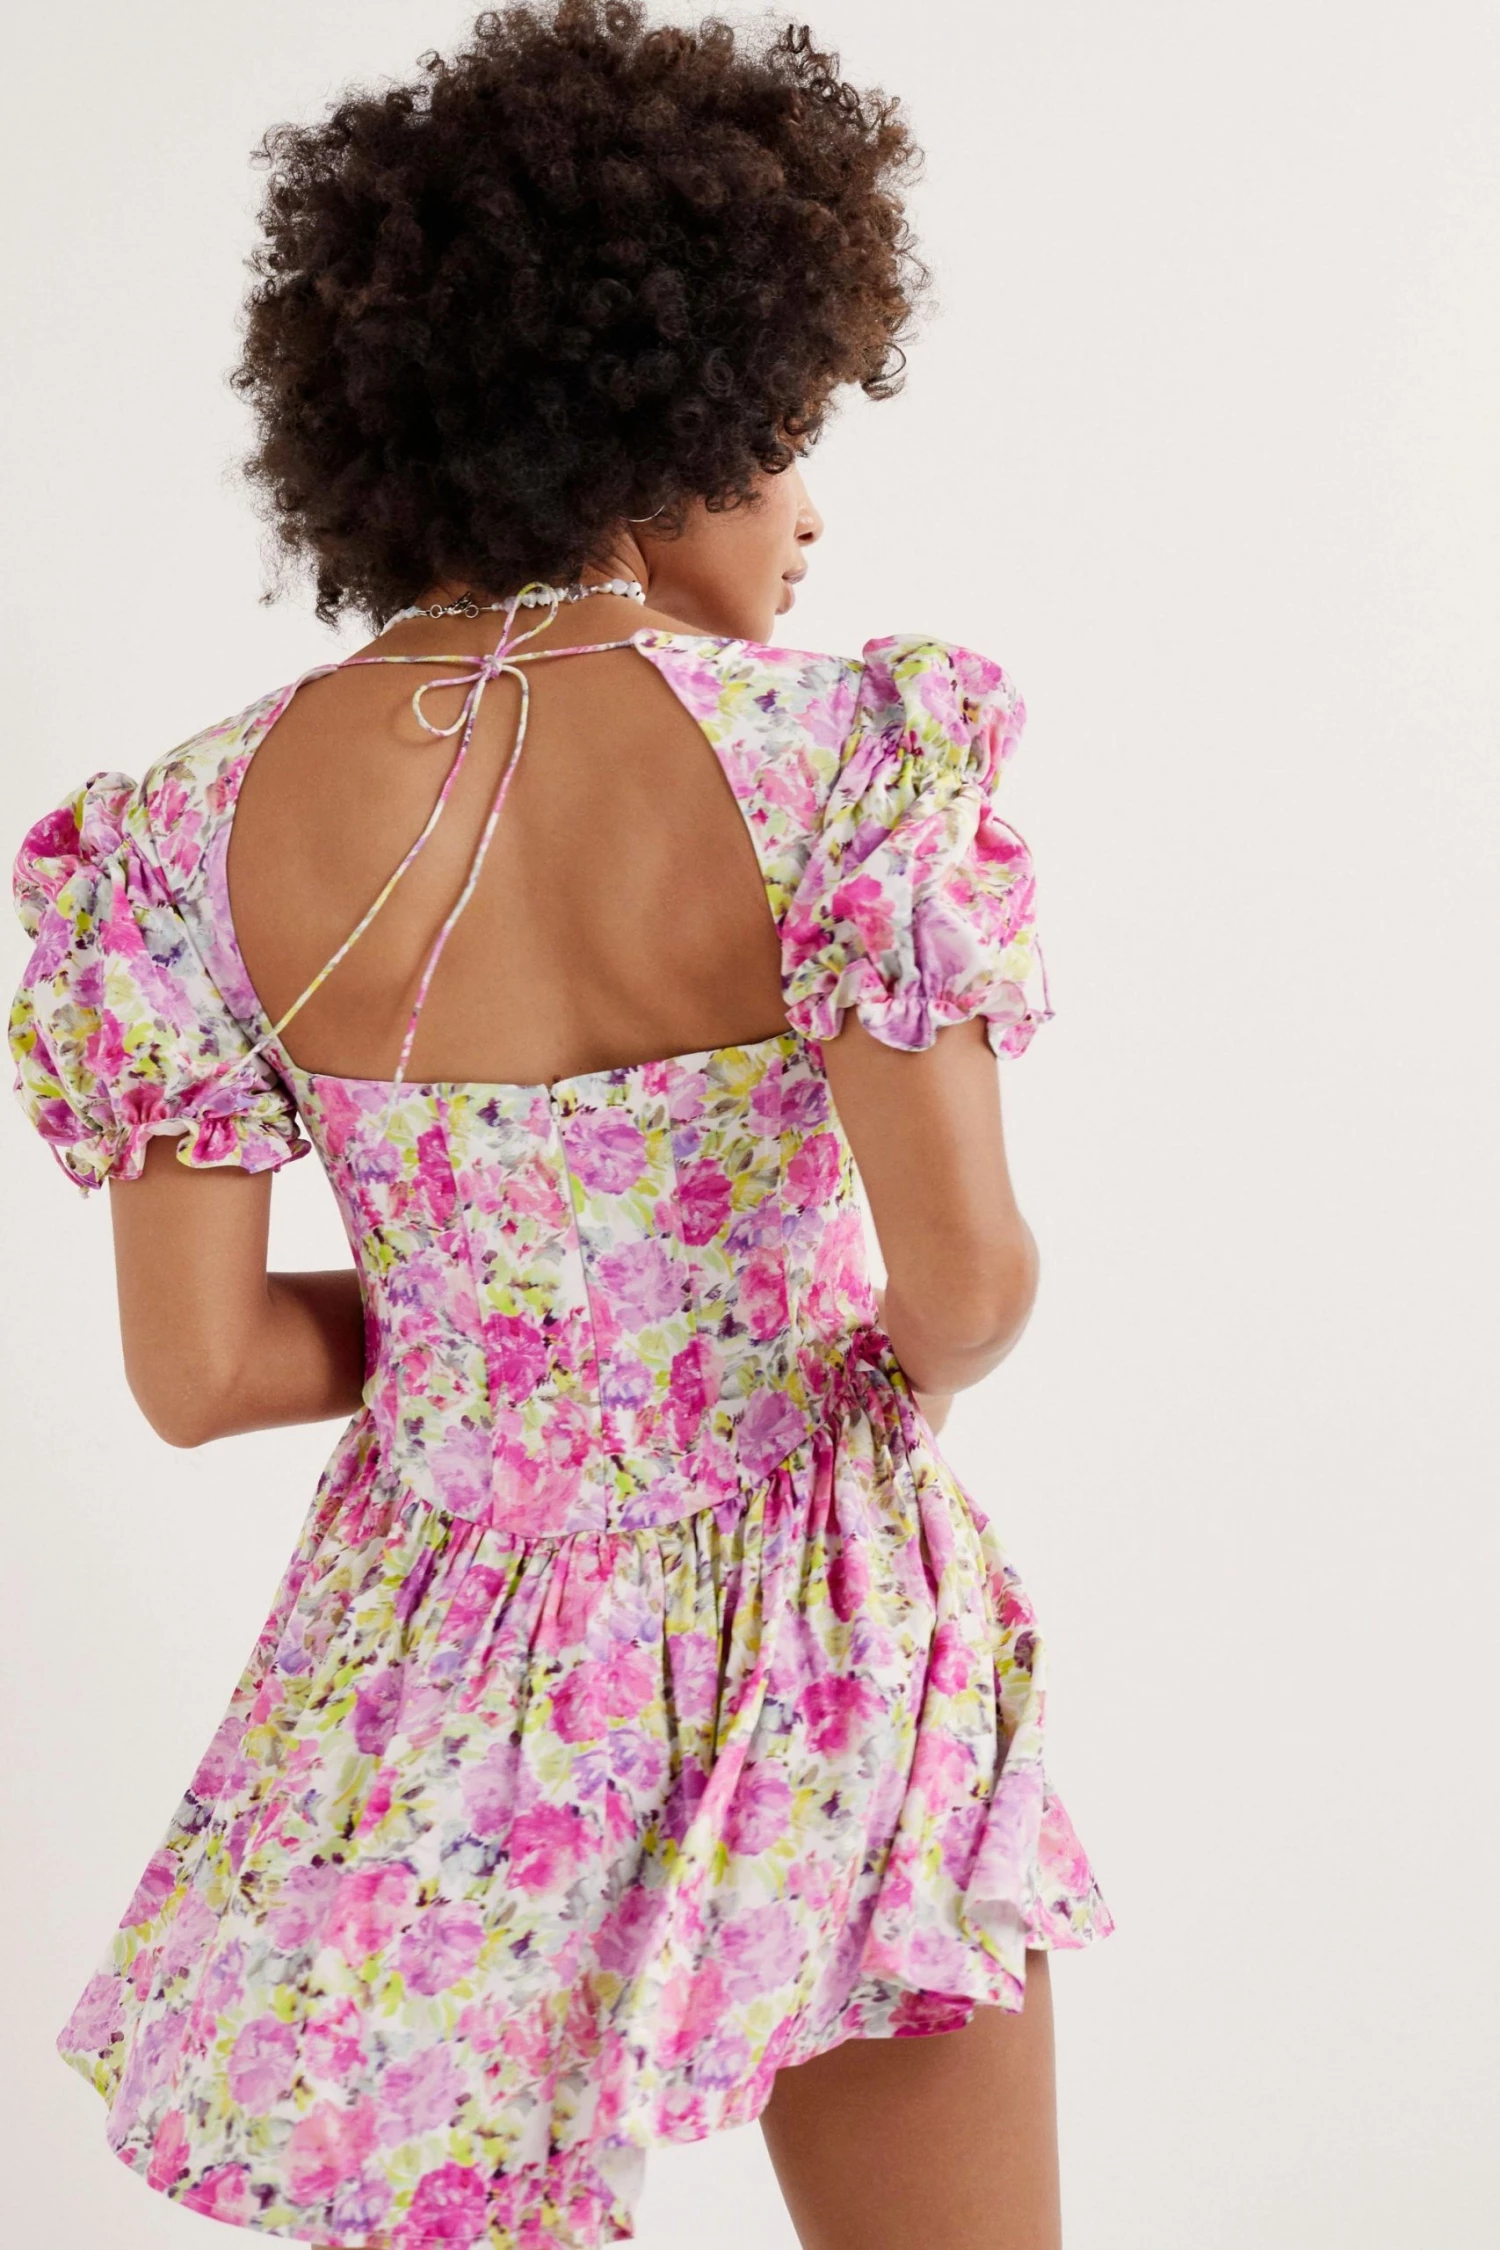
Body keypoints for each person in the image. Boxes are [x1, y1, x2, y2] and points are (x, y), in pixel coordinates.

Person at [8, 5, 1113, 2246]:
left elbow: (197, 1371)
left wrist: (492, 1331)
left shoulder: (182, 839)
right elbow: (970, 1279)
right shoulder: (843, 761)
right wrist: (856, 1376)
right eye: (784, 433)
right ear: (659, 406)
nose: (811, 505)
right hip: (815, 1615)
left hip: (440, 1652)